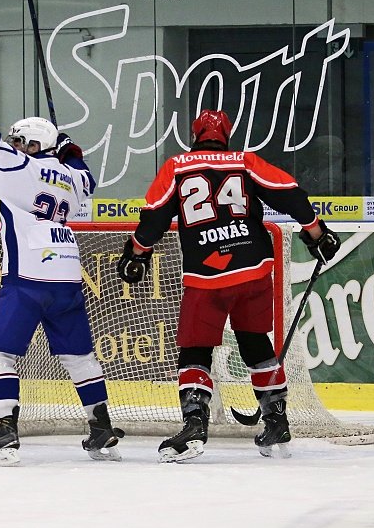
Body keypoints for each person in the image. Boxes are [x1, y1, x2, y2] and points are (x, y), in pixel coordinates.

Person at [116, 109, 340, 462]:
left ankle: (195, 424)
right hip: (253, 269)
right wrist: (317, 232)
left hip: (207, 274)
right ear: (227, 136)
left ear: (195, 136)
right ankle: (276, 420)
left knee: (195, 348)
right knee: (255, 342)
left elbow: (155, 215)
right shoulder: (245, 161)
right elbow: (289, 194)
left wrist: (137, 252)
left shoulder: (177, 166)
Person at [0, 59, 123, 466]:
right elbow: (85, 174)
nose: (14, 145)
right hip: (67, 275)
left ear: (34, 146)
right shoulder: (75, 179)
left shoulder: (19, 169)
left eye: (21, 140)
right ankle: (101, 427)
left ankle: (3, 430)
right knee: (79, 356)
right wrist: (68, 149)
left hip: (29, 277)